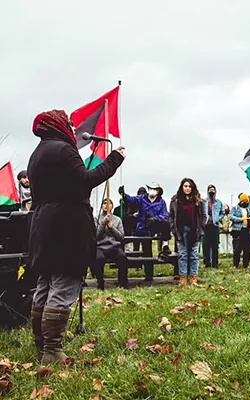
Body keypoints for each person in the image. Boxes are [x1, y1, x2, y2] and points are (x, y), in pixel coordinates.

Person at [28, 110, 124, 364]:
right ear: (58, 125)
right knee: (63, 282)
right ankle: (52, 349)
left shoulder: (37, 153)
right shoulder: (63, 150)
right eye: (68, 123)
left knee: (45, 284)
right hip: (66, 227)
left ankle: (41, 346)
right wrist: (113, 160)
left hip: (43, 225)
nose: (72, 126)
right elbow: (84, 181)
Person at [120, 182, 171, 279]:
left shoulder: (161, 202)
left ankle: (165, 245)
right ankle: (149, 275)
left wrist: (155, 219)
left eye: (154, 189)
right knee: (147, 251)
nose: (152, 190)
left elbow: (164, 215)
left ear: (158, 191)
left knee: (166, 224)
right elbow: (131, 200)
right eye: (150, 188)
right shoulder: (141, 198)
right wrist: (124, 194)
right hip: (143, 227)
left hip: (155, 225)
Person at [169, 178, 206, 286]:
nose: (187, 188)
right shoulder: (175, 200)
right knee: (183, 255)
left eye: (189, 186)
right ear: (182, 187)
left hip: (195, 231)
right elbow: (171, 216)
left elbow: (203, 216)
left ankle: (193, 278)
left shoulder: (198, 200)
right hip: (181, 231)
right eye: (185, 186)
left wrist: (202, 228)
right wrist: (173, 229)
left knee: (194, 255)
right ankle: (183, 278)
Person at [93, 199, 128, 290]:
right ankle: (100, 282)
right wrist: (103, 223)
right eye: (104, 204)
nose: (106, 206)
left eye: (109, 204)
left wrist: (112, 228)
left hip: (114, 247)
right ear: (101, 206)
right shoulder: (96, 219)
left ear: (112, 206)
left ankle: (122, 283)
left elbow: (121, 237)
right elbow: (96, 236)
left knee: (123, 258)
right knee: (98, 258)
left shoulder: (117, 219)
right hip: (100, 247)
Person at [229, 193, 250, 268]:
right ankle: (236, 264)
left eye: (246, 200)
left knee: (247, 249)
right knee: (237, 249)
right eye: (243, 200)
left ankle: (246, 264)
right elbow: (231, 216)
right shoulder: (235, 208)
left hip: (247, 231)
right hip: (238, 230)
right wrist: (239, 219)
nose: (245, 202)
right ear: (240, 201)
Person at [202, 184, 224, 268]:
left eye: (213, 190)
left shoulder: (219, 202)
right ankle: (207, 263)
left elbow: (222, 212)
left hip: (215, 226)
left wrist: (218, 218)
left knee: (215, 246)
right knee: (205, 246)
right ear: (207, 191)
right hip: (206, 226)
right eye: (210, 190)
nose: (212, 191)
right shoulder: (203, 202)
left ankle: (215, 264)